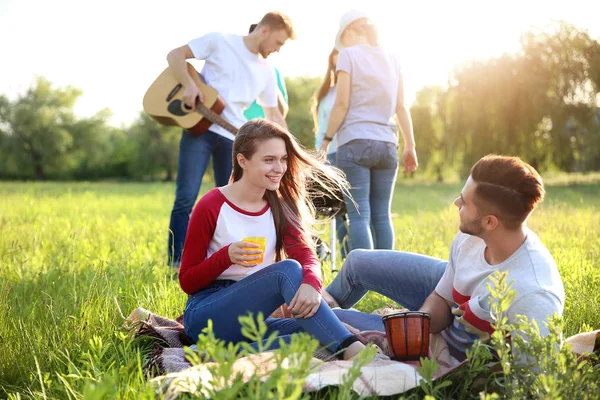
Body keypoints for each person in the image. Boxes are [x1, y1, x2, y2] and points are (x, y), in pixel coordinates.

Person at [322, 155, 565, 361]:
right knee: (357, 262)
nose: (456, 203)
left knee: (327, 321)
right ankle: (315, 303)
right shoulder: (472, 236)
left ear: (490, 222)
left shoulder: (532, 294)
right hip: (454, 307)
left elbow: (532, 381)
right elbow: (441, 296)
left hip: (454, 345)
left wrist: (415, 341)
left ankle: (312, 315)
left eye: (465, 202)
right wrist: (420, 322)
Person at [179, 119, 379, 360]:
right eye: (269, 160)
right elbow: (187, 281)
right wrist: (226, 256)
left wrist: (312, 284)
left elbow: (306, 255)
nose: (279, 167)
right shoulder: (211, 205)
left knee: (320, 333)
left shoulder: (279, 205)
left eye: (283, 159)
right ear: (243, 161)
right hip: (206, 315)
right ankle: (352, 351)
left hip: (253, 320)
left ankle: (215, 355)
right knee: (287, 271)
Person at [166, 12, 293, 269]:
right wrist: (189, 85)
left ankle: (224, 260)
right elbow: (175, 55)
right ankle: (175, 262)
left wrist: (290, 145)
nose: (277, 50)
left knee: (233, 203)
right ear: (265, 31)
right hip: (199, 128)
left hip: (234, 139)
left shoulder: (266, 71)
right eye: (278, 43)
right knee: (185, 197)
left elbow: (274, 113)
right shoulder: (219, 41)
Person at [319, 10, 418, 252]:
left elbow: (341, 104)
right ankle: (386, 280)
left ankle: (364, 281)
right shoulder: (393, 58)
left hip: (354, 142)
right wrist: (410, 145)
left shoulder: (348, 55)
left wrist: (325, 142)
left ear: (351, 31)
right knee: (382, 217)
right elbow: (401, 106)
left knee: (359, 216)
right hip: (387, 144)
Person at [313, 48, 349, 259]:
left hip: (345, 151)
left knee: (348, 210)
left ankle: (348, 253)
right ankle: (338, 254)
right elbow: (322, 128)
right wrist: (319, 154)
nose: (338, 69)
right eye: (334, 65)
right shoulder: (326, 93)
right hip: (326, 155)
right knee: (333, 208)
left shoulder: (350, 92)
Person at [244, 24, 289, 121]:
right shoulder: (234, 65)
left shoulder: (272, 72)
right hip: (229, 128)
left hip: (259, 131)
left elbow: (281, 113)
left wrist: (271, 85)